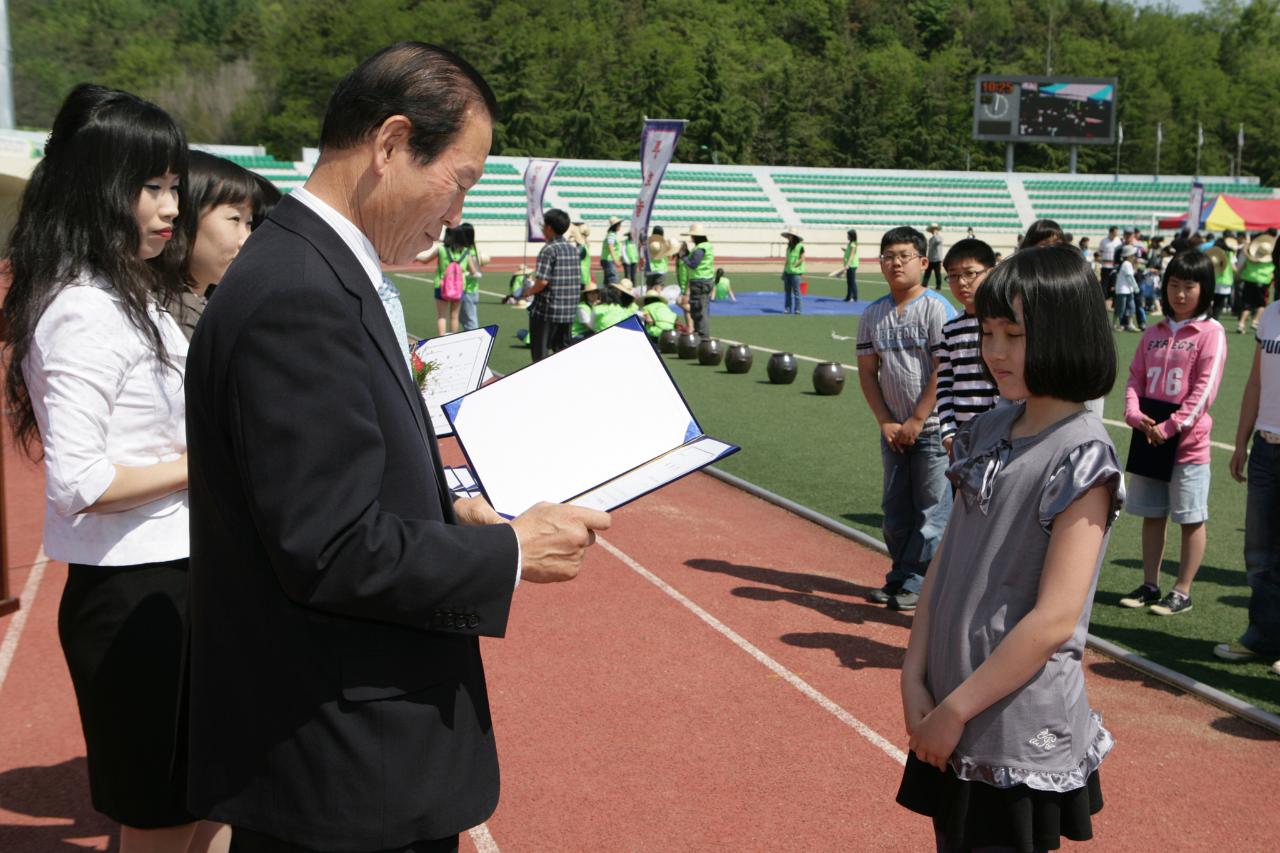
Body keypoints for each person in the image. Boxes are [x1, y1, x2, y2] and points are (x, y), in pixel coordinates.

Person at [183, 42, 611, 853]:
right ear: (389, 145)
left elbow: (321, 485)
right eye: (463, 181)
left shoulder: (314, 270)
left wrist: (448, 507)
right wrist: (513, 553)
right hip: (345, 768)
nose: (456, 215)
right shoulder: (301, 294)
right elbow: (331, 546)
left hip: (347, 750)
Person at [2, 83, 229, 853]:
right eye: (150, 187)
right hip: (136, 594)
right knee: (161, 822)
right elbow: (81, 483)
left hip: (180, 577)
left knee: (210, 801)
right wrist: (209, 461)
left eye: (173, 186)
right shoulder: (83, 309)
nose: (171, 206)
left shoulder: (135, 293)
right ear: (99, 186)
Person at [896, 245, 1121, 852]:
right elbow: (945, 559)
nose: (994, 351)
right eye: (987, 332)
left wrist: (954, 710)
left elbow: (1053, 620)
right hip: (950, 701)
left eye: (1013, 334)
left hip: (1007, 724)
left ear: (1064, 334)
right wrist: (914, 674)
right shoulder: (989, 426)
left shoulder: (1082, 454)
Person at [1118, 251, 1225, 616]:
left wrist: (1170, 426)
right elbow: (1134, 377)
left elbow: (1203, 391)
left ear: (1204, 288)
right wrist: (1134, 414)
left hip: (1187, 445)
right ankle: (1150, 584)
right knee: (1152, 514)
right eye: (1174, 286)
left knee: (1190, 517)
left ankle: (1182, 590)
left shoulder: (1211, 333)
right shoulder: (1153, 332)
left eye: (1189, 286)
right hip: (1149, 437)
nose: (1180, 294)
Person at [856, 226, 956, 612]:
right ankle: (899, 574)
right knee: (896, 513)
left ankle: (921, 582)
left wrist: (917, 418)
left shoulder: (936, 308)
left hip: (930, 431)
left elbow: (942, 366)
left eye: (904, 256)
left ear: (923, 262)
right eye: (888, 257)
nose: (895, 263)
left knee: (932, 512)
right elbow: (867, 372)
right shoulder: (873, 314)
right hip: (893, 432)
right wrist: (886, 421)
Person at [1215, 292, 1280, 672]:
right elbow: (1256, 381)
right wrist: (1241, 440)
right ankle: (1262, 636)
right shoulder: (1271, 314)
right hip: (1266, 447)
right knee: (1259, 551)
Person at [174, 150, 262, 341]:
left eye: (249, 223)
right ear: (185, 216)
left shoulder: (208, 307)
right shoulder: (161, 316)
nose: (246, 240)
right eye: (235, 219)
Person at [933, 239, 999, 455]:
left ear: (991, 272)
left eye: (970, 273)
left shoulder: (1004, 325)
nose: (961, 282)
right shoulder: (950, 328)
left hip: (998, 437)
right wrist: (949, 432)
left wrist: (994, 431)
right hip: (960, 441)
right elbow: (944, 383)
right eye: (953, 275)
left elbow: (1005, 385)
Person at [525, 207, 581, 361]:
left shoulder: (549, 249)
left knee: (540, 353)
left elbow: (542, 281)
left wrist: (529, 291)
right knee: (562, 351)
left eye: (544, 226)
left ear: (549, 228)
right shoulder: (572, 249)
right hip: (568, 310)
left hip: (547, 310)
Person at [433, 226, 476, 336]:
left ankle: (441, 338)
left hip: (441, 286)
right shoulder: (466, 252)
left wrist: (418, 258)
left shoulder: (441, 249)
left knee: (441, 316)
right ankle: (453, 338)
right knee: (454, 316)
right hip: (459, 288)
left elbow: (425, 260)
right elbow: (473, 271)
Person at [680, 222, 715, 338]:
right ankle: (701, 333)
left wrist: (684, 256)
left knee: (699, 309)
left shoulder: (700, 248)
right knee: (701, 307)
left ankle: (702, 335)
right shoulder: (706, 246)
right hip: (706, 280)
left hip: (699, 282)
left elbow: (693, 264)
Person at [1237, 233, 1274, 334]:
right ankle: (1255, 321)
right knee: (1262, 304)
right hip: (1263, 282)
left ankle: (1241, 323)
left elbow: (1241, 267)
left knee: (1247, 304)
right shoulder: (1271, 260)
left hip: (1249, 280)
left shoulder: (1250, 257)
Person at [458, 221, 483, 331]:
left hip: (469, 289)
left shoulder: (469, 252)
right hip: (469, 289)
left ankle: (475, 342)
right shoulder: (473, 249)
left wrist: (463, 273)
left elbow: (474, 272)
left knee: (470, 320)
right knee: (464, 319)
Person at [1114, 244, 1140, 331]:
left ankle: (1130, 324)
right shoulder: (1126, 264)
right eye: (1133, 254)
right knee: (1120, 308)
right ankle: (1115, 324)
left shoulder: (1128, 264)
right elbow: (1130, 277)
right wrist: (1136, 287)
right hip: (1122, 290)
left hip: (1128, 290)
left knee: (1131, 307)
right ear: (1129, 255)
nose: (1135, 256)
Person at [781, 227, 806, 314]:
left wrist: (795, 265)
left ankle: (797, 309)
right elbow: (787, 260)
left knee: (796, 292)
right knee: (787, 292)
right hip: (788, 272)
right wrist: (784, 272)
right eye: (788, 235)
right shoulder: (788, 247)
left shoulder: (800, 246)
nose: (789, 237)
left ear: (794, 236)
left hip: (796, 273)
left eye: (790, 235)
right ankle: (787, 308)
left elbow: (802, 258)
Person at [1098, 225, 1121, 303]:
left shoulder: (1118, 241)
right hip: (1105, 266)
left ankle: (1113, 302)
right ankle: (1103, 300)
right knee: (1104, 284)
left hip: (1114, 266)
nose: (1116, 234)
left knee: (1114, 284)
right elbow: (1100, 252)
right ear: (1111, 232)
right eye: (1115, 232)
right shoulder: (1104, 241)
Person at [601, 216, 624, 285]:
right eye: (619, 224)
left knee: (607, 280)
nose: (620, 225)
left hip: (607, 259)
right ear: (615, 226)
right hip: (609, 259)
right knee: (613, 280)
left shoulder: (611, 234)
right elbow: (610, 247)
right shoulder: (612, 235)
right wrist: (615, 260)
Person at [842, 229, 859, 301]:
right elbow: (850, 252)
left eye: (848, 235)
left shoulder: (853, 244)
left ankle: (852, 297)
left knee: (851, 281)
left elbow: (852, 255)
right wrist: (845, 250)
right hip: (850, 264)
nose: (847, 236)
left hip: (851, 265)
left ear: (851, 236)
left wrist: (847, 265)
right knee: (850, 281)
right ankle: (851, 297)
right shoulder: (851, 243)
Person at [924, 223, 944, 289]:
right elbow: (930, 249)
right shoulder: (930, 239)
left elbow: (938, 241)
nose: (933, 231)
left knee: (937, 274)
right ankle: (924, 284)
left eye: (935, 230)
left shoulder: (940, 238)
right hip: (930, 259)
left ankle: (938, 286)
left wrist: (936, 235)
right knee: (927, 273)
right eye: (932, 230)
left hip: (937, 259)